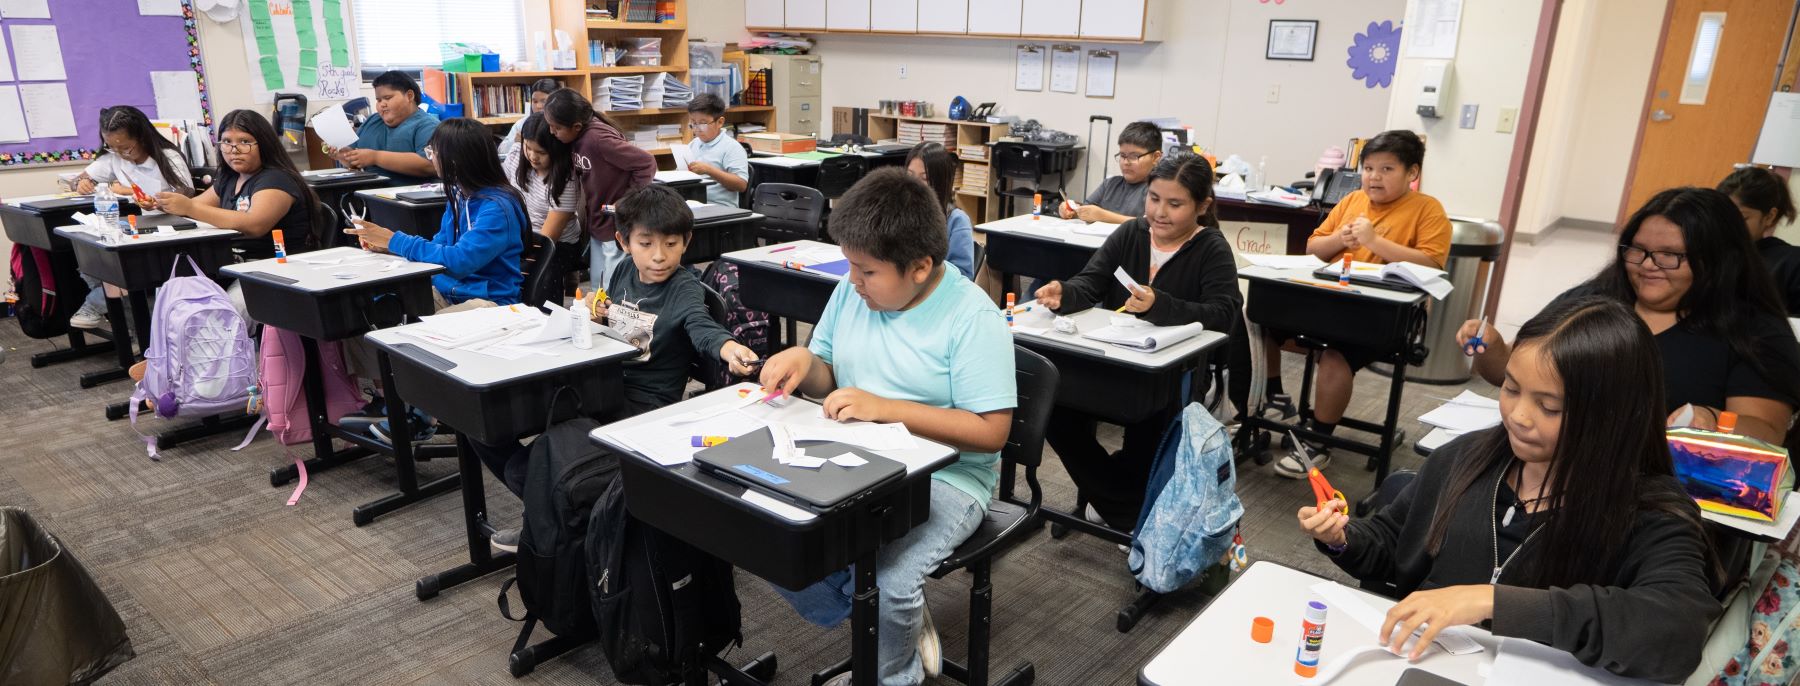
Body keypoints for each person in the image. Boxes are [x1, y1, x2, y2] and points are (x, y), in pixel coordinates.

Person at [1300, 296, 1718, 682]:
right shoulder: (1467, 458)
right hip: (1426, 668)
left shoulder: (1650, 511)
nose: (1518, 415)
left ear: (1612, 415)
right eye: (1511, 388)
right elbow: (1394, 545)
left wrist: (1495, 602)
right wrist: (1343, 539)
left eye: (1550, 407)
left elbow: (1676, 630)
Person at [759, 168, 1017, 686]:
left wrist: (886, 407)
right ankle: (890, 623)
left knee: (893, 581)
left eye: (867, 271)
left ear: (921, 267)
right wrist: (803, 362)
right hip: (860, 452)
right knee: (768, 531)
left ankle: (893, 675)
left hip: (949, 477)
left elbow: (991, 432)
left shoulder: (972, 318)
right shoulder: (854, 290)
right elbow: (828, 372)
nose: (853, 282)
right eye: (850, 266)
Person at [480, 185, 759, 552]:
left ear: (686, 242)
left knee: (541, 455)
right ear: (624, 242)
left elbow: (702, 326)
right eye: (646, 244)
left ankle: (552, 519)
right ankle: (557, 513)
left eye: (671, 244)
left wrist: (730, 347)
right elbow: (614, 313)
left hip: (645, 407)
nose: (659, 257)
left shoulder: (684, 289)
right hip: (604, 386)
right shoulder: (625, 268)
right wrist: (602, 310)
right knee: (487, 421)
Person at [1460, 186, 1800, 451]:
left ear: (1717, 260)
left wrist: (1710, 420)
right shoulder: (1592, 300)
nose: (1648, 265)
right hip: (1553, 465)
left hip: (1658, 492)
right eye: (1637, 250)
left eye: (1669, 255)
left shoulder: (1754, 332)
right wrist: (1492, 350)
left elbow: (1766, 435)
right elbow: (1512, 376)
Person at [1032, 153, 1242, 530]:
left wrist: (1162, 306)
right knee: (1052, 407)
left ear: (1202, 206)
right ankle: (1123, 507)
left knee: (1149, 429)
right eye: (1154, 199)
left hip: (1175, 374)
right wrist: (1065, 292)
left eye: (1175, 204)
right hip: (1114, 361)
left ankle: (1112, 503)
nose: (1160, 212)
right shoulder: (1132, 233)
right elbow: (1090, 281)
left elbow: (1224, 314)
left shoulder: (1211, 247)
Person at [1242, 129, 1451, 479]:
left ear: (1412, 173)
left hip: (1381, 317)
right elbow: (1312, 248)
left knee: (1334, 354)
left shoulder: (1428, 210)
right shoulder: (1352, 201)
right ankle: (1276, 399)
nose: (1373, 177)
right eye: (1368, 168)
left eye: (1386, 169)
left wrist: (1375, 241)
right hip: (1331, 303)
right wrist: (1340, 238)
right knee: (1257, 317)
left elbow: (1431, 266)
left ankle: (1318, 443)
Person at [342, 117, 528, 445]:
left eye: (433, 151)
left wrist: (394, 240)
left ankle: (419, 417)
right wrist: (386, 248)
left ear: (457, 159)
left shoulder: (497, 207)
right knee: (366, 309)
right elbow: (440, 247)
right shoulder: (459, 195)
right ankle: (392, 401)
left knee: (421, 336)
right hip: (449, 291)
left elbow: (458, 261)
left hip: (492, 304)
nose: (431, 157)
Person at [67, 106, 195, 329]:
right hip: (140, 230)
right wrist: (81, 183)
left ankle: (97, 304)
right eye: (112, 147)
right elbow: (77, 179)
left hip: (171, 230)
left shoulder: (167, 157)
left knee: (118, 268)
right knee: (89, 263)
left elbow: (187, 194)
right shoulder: (114, 157)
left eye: (126, 148)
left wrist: (159, 202)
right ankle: (133, 329)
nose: (120, 153)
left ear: (142, 137)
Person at [157, 109, 317, 260]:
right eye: (227, 141)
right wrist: (165, 203)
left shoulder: (276, 179)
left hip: (271, 268)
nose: (234, 150)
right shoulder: (230, 178)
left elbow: (255, 225)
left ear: (264, 144)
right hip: (233, 262)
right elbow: (192, 207)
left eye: (244, 141)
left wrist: (189, 208)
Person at [542, 88, 656, 291]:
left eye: (556, 127)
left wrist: (629, 199)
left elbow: (646, 163)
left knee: (613, 288)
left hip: (615, 224)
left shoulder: (597, 140)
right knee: (597, 287)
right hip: (598, 221)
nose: (552, 132)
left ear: (576, 126)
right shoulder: (578, 138)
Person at [503, 113, 581, 285]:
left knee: (519, 276)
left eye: (541, 152)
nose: (532, 156)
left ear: (556, 150)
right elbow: (500, 194)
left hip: (555, 244)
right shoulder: (516, 153)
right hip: (520, 235)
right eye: (528, 147)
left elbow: (548, 238)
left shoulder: (566, 180)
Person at [329, 70, 440, 185]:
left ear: (409, 96)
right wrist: (344, 155)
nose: (382, 104)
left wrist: (375, 157)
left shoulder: (427, 126)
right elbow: (354, 163)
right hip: (366, 194)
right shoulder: (373, 121)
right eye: (379, 100)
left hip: (407, 197)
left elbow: (429, 165)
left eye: (388, 98)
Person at [1718, 165, 1800, 315]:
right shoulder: (1709, 254)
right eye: (1722, 215)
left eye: (1741, 218)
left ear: (1769, 217)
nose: (1728, 225)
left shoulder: (1791, 263)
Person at [1059, 121, 1162, 224]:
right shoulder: (1110, 185)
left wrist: (1101, 216)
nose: (1126, 162)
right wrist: (1071, 210)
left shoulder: (1157, 191)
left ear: (1155, 157)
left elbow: (1149, 223)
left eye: (1134, 156)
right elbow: (1087, 211)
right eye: (1122, 155)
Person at [905, 141, 975, 278]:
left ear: (940, 181)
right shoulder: (897, 212)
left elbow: (964, 275)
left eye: (924, 178)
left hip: (937, 293)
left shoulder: (956, 220)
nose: (913, 184)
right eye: (910, 175)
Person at [683, 93, 749, 207]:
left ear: (720, 122)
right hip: (693, 204)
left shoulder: (732, 147)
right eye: (693, 123)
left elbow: (741, 184)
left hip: (719, 207)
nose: (697, 129)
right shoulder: (693, 144)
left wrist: (709, 170)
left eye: (703, 123)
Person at [497, 78, 561, 160]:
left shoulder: (560, 124)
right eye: (535, 101)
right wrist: (515, 141)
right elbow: (501, 151)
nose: (538, 106)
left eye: (544, 101)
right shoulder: (522, 123)